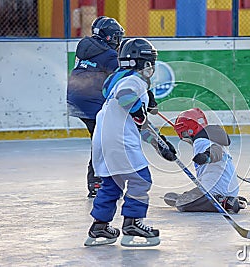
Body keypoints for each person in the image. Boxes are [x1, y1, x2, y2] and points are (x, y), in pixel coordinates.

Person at [84, 38, 177, 247]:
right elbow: (127, 100)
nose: (152, 68)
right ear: (144, 64)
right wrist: (138, 110)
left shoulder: (118, 79)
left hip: (103, 140)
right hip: (119, 140)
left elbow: (140, 125)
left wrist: (160, 145)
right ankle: (133, 223)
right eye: (151, 63)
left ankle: (99, 226)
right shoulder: (134, 81)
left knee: (111, 183)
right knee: (140, 180)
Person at [67, 16, 125, 197]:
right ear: (108, 37)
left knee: (100, 138)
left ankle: (99, 179)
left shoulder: (85, 47)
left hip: (76, 98)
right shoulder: (109, 55)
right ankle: (97, 181)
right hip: (92, 101)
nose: (118, 41)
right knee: (103, 140)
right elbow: (122, 78)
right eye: (116, 36)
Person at [164, 108, 247, 214]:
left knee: (182, 204)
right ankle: (227, 198)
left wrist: (206, 156)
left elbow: (216, 151)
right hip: (229, 188)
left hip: (214, 189)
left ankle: (223, 201)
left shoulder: (200, 141)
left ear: (188, 130)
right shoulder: (212, 137)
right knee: (190, 195)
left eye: (183, 134)